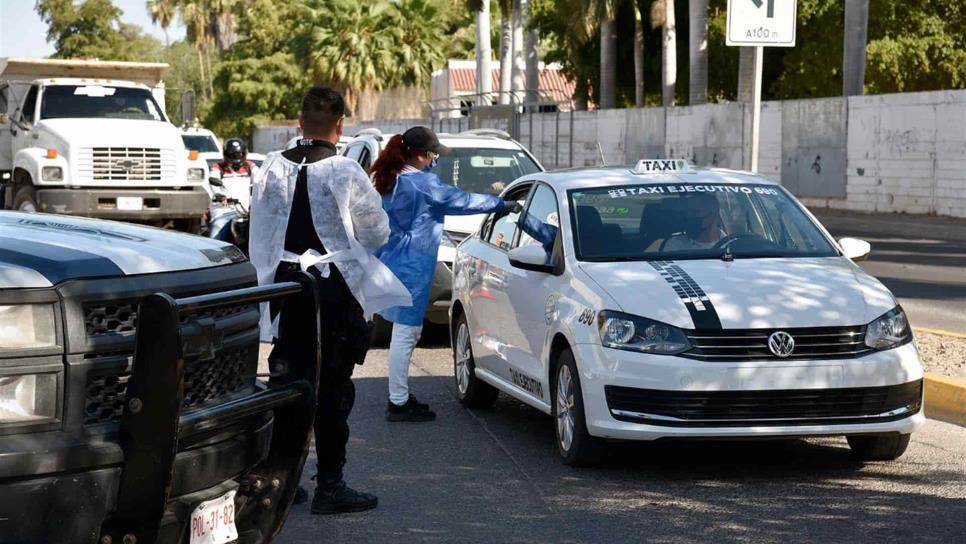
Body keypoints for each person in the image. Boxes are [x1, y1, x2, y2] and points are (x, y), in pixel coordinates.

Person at [249, 86, 410, 515]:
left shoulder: (270, 168)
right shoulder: (345, 172)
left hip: (285, 287)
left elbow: (260, 232)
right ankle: (331, 483)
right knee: (333, 386)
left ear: (299, 123)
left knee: (289, 383)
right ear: (341, 125)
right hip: (332, 290)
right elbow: (377, 234)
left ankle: (282, 479)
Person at [371, 126, 521, 422]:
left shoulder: (394, 177)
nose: (434, 159)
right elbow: (461, 201)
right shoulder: (421, 184)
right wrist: (500, 204)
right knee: (406, 333)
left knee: (403, 333)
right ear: (422, 155)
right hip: (412, 265)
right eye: (433, 155)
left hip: (394, 258)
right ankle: (398, 401)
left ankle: (398, 396)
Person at [207, 138, 255, 241]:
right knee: (217, 233)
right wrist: (220, 195)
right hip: (224, 210)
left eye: (238, 155)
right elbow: (214, 182)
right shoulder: (218, 167)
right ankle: (214, 255)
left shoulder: (249, 166)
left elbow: (260, 178)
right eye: (232, 155)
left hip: (245, 211)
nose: (235, 158)